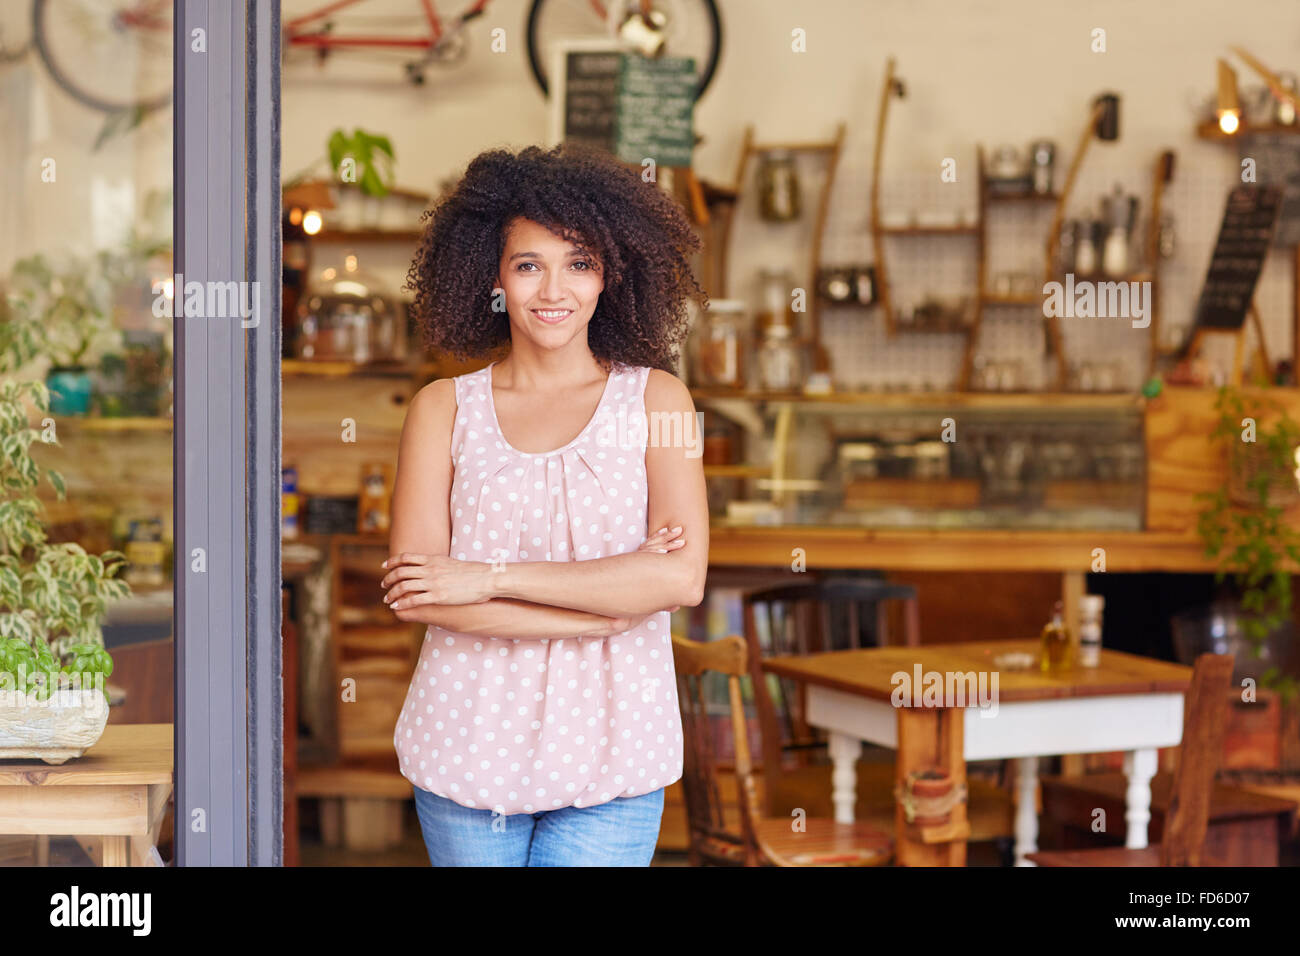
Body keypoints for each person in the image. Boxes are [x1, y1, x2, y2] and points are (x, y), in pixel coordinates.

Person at [381, 143, 710, 866]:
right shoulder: (442, 410)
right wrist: (605, 609)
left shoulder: (662, 401)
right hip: (465, 747)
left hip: (614, 754)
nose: (552, 290)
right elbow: (417, 593)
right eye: (528, 264)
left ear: (610, 276)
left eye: (579, 263)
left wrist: (488, 577)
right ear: (492, 277)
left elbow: (681, 580)